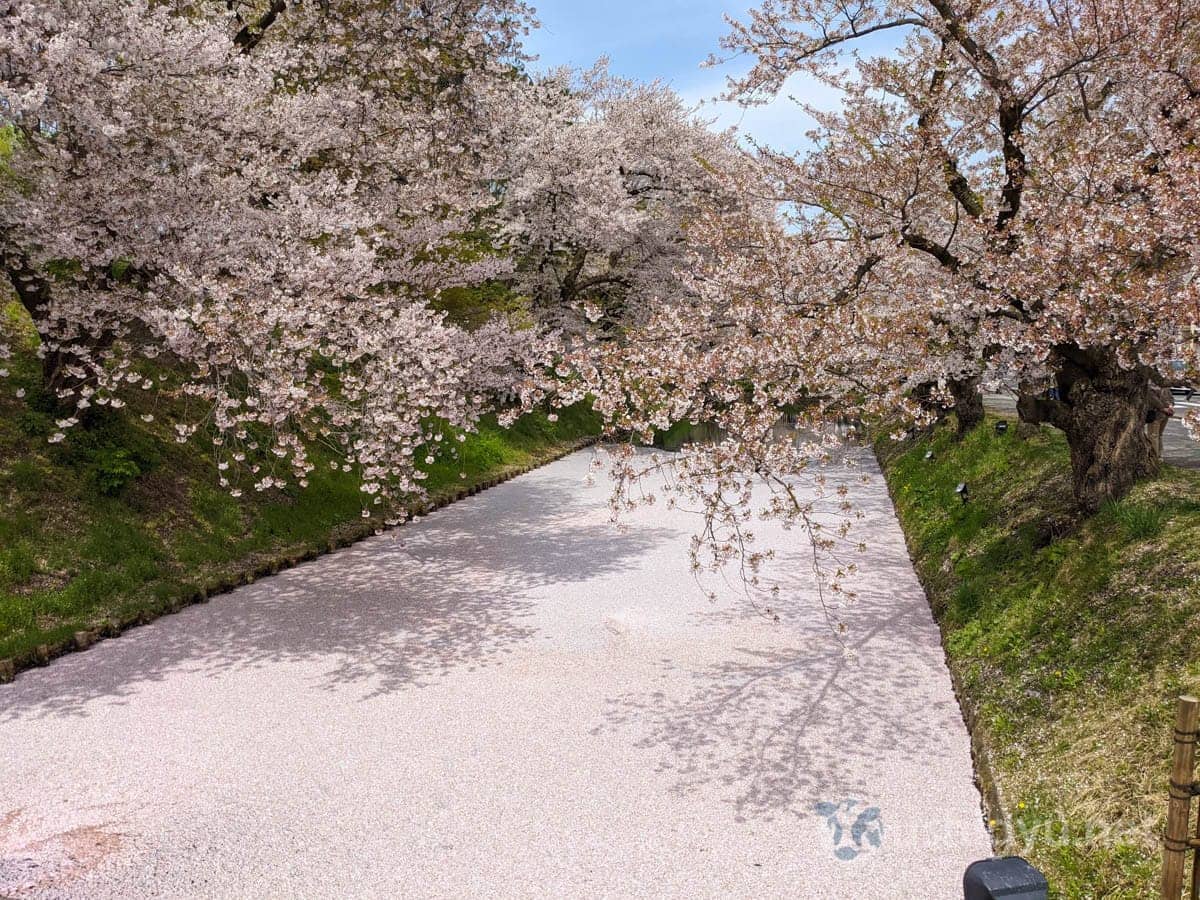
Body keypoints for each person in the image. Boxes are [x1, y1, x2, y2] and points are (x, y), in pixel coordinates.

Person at [1147, 383, 1175, 459]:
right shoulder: (1165, 385)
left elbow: (1154, 400)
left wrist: (1163, 408)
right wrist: (1170, 406)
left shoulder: (1151, 385)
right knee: (1159, 435)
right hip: (1166, 414)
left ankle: (1154, 456)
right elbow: (1171, 398)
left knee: (1153, 435)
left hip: (1156, 413)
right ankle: (1159, 454)